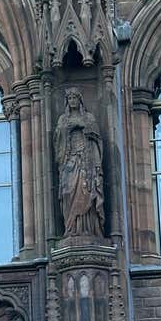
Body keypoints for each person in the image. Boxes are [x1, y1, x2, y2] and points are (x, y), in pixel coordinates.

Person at [54, 88, 105, 238]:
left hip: (86, 161)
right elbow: (57, 139)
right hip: (69, 161)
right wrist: (67, 129)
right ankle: (71, 229)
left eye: (75, 98)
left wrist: (83, 126)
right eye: (70, 99)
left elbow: (96, 138)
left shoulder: (88, 117)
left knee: (87, 190)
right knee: (68, 191)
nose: (73, 101)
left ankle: (88, 230)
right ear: (67, 102)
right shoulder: (63, 119)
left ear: (80, 100)